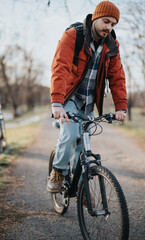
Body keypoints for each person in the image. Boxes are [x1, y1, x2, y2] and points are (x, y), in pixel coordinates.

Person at [47, 1, 127, 193]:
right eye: (106, 21)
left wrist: (121, 107)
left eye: (113, 24)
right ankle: (58, 170)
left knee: (84, 144)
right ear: (96, 17)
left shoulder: (112, 46)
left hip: (89, 102)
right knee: (71, 134)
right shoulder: (73, 36)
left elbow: (117, 77)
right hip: (70, 97)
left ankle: (80, 186)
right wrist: (57, 103)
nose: (109, 27)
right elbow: (60, 68)